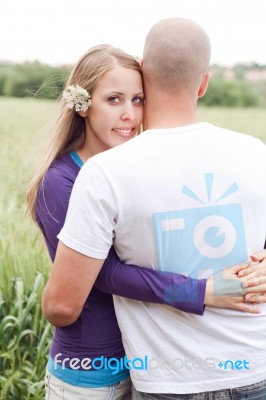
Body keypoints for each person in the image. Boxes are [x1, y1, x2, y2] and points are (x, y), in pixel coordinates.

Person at [46, 19, 266, 399]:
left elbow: (65, 300)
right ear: (204, 83)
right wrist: (202, 289)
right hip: (249, 367)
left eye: (134, 98)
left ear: (146, 77)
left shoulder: (106, 173)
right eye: (115, 99)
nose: (128, 112)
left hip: (167, 378)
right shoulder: (255, 151)